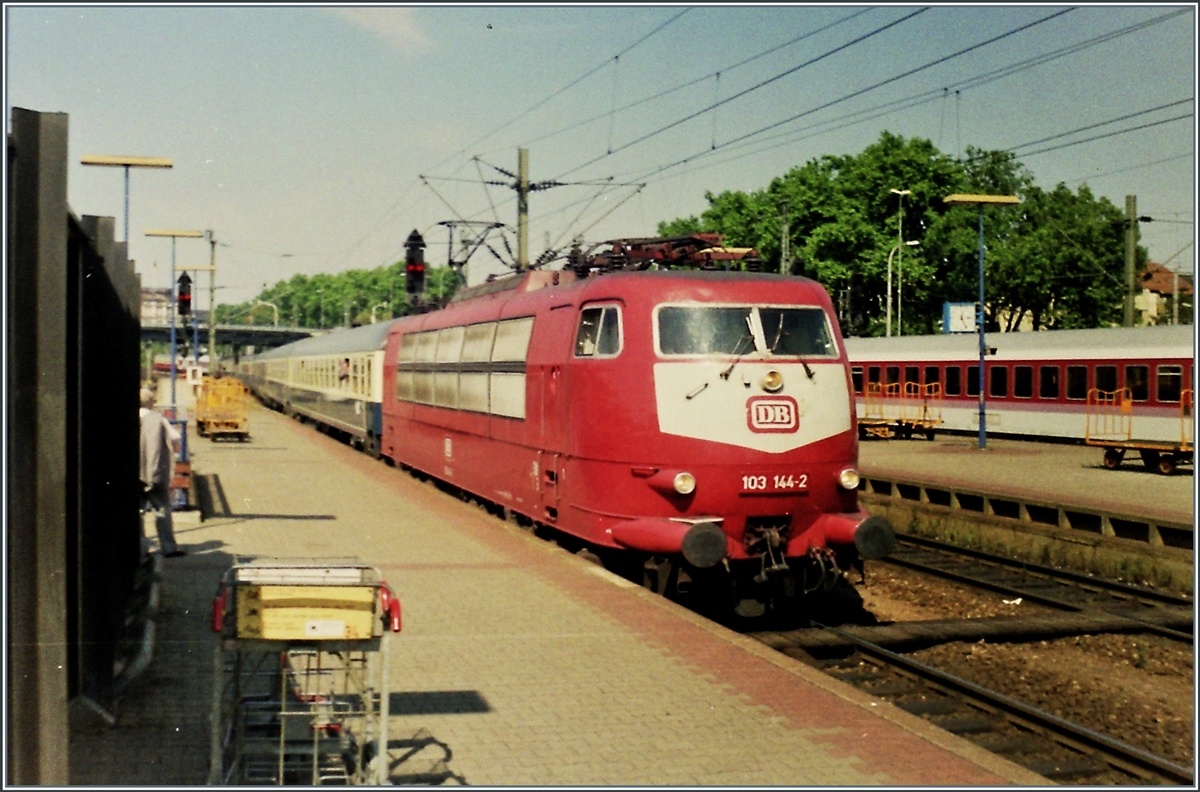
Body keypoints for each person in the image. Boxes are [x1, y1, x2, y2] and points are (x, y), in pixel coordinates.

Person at [140, 388, 186, 557]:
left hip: (136, 475)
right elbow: (175, 438)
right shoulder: (158, 419)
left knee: (137, 513)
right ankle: (168, 548)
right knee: (162, 510)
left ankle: (140, 549)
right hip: (155, 472)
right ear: (151, 403)